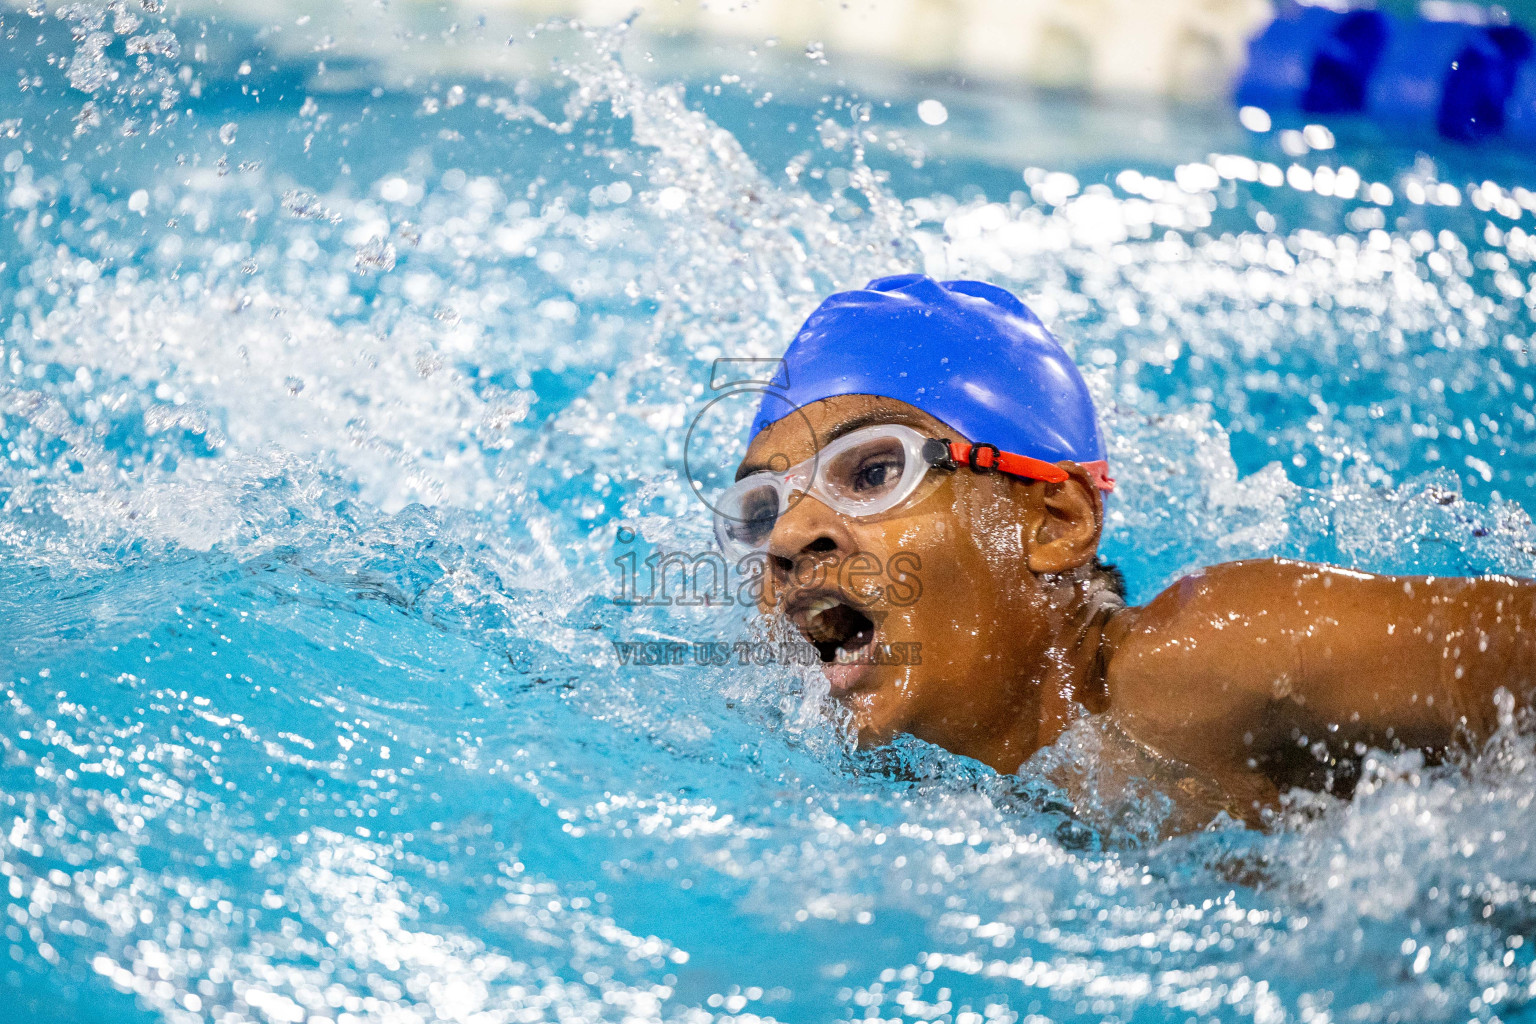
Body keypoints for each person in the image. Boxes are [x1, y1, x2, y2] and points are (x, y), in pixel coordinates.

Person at [716, 273, 1536, 829]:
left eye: (874, 470)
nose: (788, 539)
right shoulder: (883, 782)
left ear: (1055, 522)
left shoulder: (1208, 658)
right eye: (760, 511)